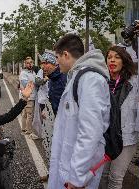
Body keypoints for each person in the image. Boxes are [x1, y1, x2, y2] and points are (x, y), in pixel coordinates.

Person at [48, 34, 111, 189]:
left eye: (57, 57)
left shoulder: (90, 79)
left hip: (77, 173)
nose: (56, 63)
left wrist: (77, 178)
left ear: (65, 54)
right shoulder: (78, 77)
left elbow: (90, 132)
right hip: (69, 164)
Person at [98, 46, 139, 189]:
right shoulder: (101, 80)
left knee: (115, 177)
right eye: (109, 57)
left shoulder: (136, 82)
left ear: (124, 60)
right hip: (105, 137)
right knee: (102, 175)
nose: (112, 60)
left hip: (126, 137)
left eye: (117, 57)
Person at [40, 50, 67, 115]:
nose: (42, 67)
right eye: (42, 64)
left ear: (55, 64)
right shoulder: (51, 78)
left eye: (46, 63)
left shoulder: (64, 78)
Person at [19, 57, 38, 139]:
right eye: (28, 63)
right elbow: (27, 84)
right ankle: (28, 130)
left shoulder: (32, 72)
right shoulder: (23, 73)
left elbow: (31, 83)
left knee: (25, 114)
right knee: (29, 114)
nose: (30, 64)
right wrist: (36, 82)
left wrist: (33, 82)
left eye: (31, 62)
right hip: (28, 97)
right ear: (25, 64)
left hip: (31, 96)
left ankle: (24, 129)